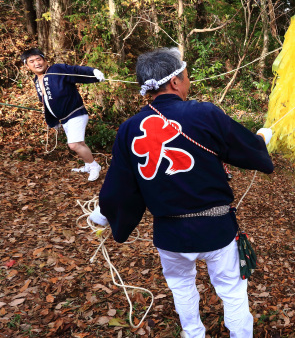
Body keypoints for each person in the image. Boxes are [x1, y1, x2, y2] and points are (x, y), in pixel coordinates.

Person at [94, 48, 274, 338]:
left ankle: (193, 334)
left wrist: (107, 214)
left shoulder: (129, 129)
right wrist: (262, 140)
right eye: (186, 76)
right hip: (216, 228)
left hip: (170, 234)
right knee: (232, 289)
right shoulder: (204, 113)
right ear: (175, 82)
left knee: (181, 287)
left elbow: (120, 186)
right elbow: (247, 150)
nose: (188, 82)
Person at [21, 48, 104, 181]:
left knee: (74, 144)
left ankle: (94, 166)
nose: (37, 63)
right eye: (32, 61)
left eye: (39, 59)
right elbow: (47, 102)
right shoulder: (37, 80)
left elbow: (75, 71)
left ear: (45, 60)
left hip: (75, 113)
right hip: (64, 119)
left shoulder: (56, 70)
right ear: (27, 65)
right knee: (80, 143)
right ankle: (88, 165)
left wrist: (93, 73)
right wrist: (53, 121)